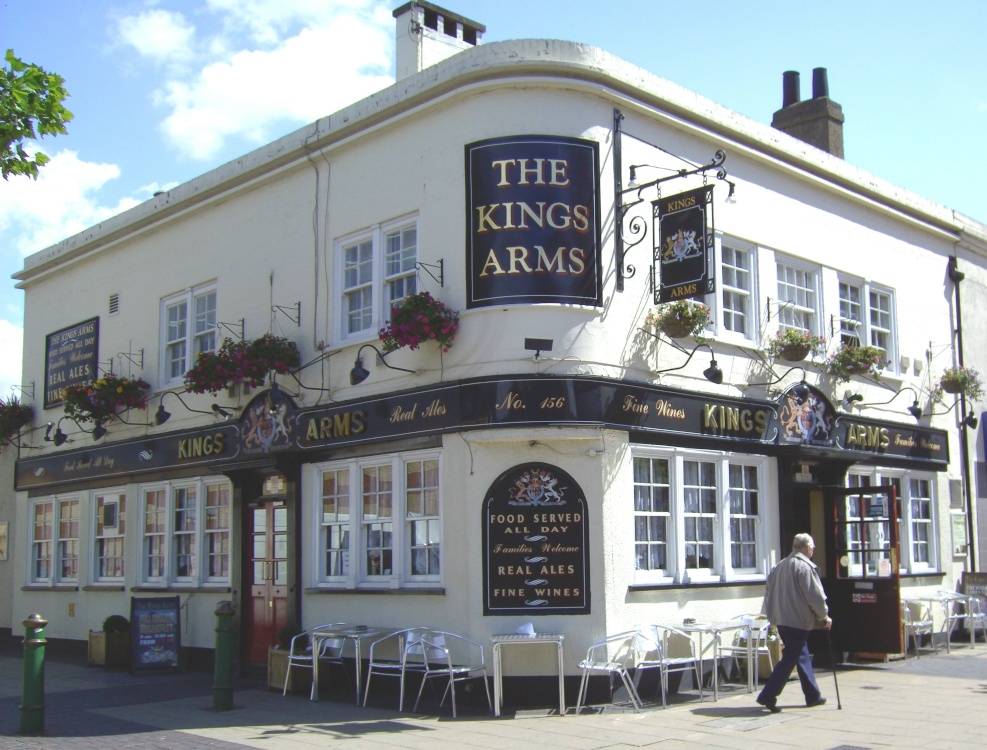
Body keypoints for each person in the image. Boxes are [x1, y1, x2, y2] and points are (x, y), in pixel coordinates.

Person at [756, 533, 832, 712]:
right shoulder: (804, 567)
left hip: (782, 619)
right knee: (790, 658)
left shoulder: (780, 565)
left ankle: (812, 695)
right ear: (805, 548)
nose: (813, 550)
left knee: (801, 655)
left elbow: (769, 591)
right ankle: (768, 695)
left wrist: (771, 615)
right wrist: (824, 617)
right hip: (798, 620)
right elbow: (815, 596)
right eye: (812, 547)